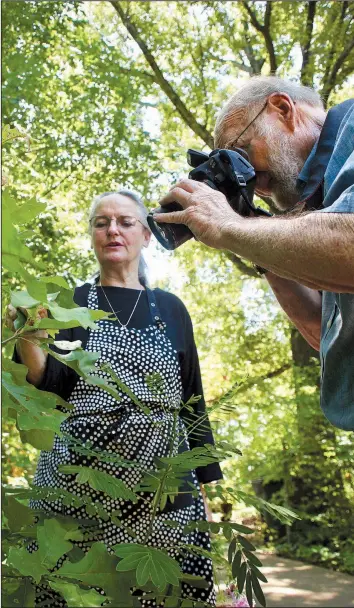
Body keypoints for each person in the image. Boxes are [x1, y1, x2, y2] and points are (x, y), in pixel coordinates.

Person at [9, 190, 222, 607]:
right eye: (101, 222)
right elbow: (51, 386)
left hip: (164, 497)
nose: (113, 230)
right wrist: (28, 338)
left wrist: (206, 492)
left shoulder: (171, 309)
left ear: (145, 234)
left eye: (125, 222)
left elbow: (193, 404)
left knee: (168, 595)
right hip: (79, 495)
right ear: (92, 235)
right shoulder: (70, 305)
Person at [154, 76, 354, 431]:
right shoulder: (325, 204)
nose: (253, 183)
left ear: (282, 108)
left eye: (242, 154)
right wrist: (251, 233)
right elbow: (325, 335)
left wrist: (229, 227)